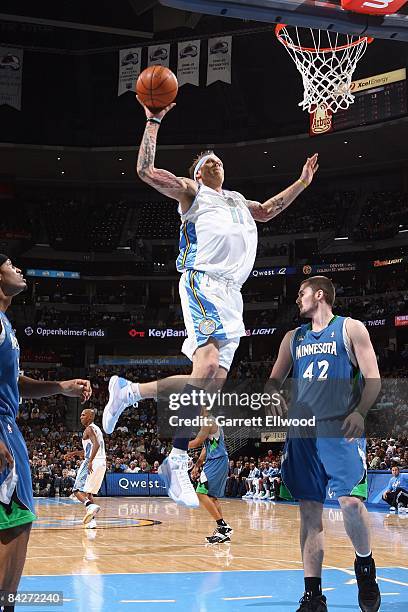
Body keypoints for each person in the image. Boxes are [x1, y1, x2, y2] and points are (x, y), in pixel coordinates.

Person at [103, 98, 319, 508]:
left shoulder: (238, 200)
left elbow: (270, 210)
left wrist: (303, 182)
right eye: (206, 161)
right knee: (203, 369)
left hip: (233, 295)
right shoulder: (192, 193)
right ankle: (177, 460)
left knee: (208, 387)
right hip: (202, 281)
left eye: (217, 160)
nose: (214, 162)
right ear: (197, 173)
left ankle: (128, 391)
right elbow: (145, 171)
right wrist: (153, 120)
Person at [267, 276, 381, 612]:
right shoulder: (293, 338)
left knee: (351, 505)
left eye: (301, 294)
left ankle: (365, 566)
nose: (297, 300)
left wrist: (360, 412)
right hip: (303, 433)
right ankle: (314, 595)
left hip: (340, 428)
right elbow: (274, 379)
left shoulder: (351, 329)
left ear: (320, 295)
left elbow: (373, 378)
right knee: (309, 512)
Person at [0, 254, 92, 611]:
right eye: (10, 265)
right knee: (16, 521)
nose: (19, 269)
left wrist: (59, 386)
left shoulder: (7, 325)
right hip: (3, 426)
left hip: (8, 422)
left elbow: (15, 383)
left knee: (14, 522)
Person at [189, 411, 231, 543]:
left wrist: (178, 445)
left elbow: (196, 442)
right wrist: (197, 465)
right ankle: (222, 532)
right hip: (216, 460)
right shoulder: (209, 421)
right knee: (212, 497)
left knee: (200, 493)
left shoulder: (208, 421)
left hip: (216, 461)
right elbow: (205, 447)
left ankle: (223, 526)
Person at [65, 409, 106, 529]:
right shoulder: (97, 429)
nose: (81, 417)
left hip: (92, 461)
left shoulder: (89, 429)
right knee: (88, 493)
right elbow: (91, 448)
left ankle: (89, 506)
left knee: (77, 490)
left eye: (83, 415)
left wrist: (90, 461)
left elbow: (96, 445)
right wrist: (73, 453)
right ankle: (92, 521)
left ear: (90, 417)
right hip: (102, 462)